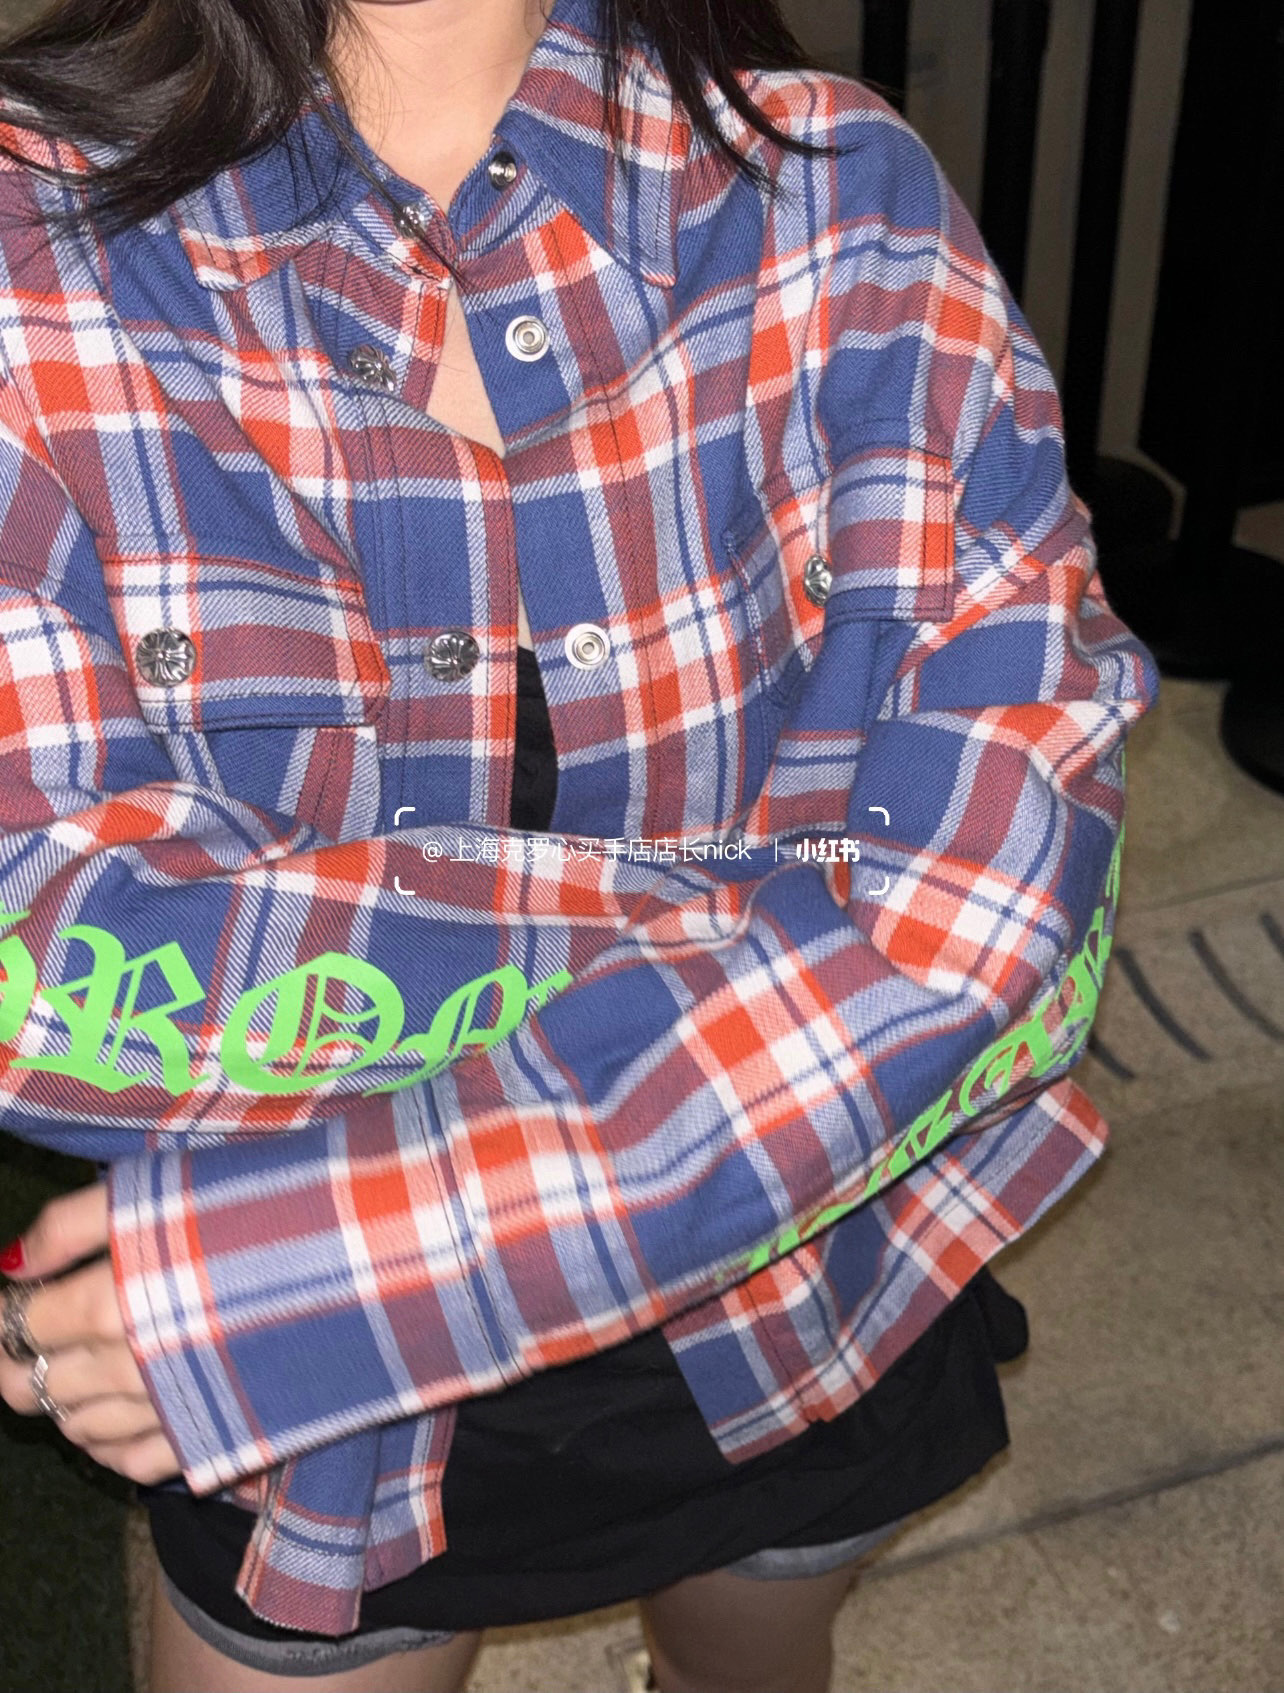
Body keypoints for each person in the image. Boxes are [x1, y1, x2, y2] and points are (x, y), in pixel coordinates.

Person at [0, 0, 1158, 1688]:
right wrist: (811, 942)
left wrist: (373, 1251)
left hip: (752, 1288)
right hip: (325, 1408)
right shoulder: (33, 250)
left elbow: (1008, 894)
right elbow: (35, 951)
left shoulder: (845, 194)